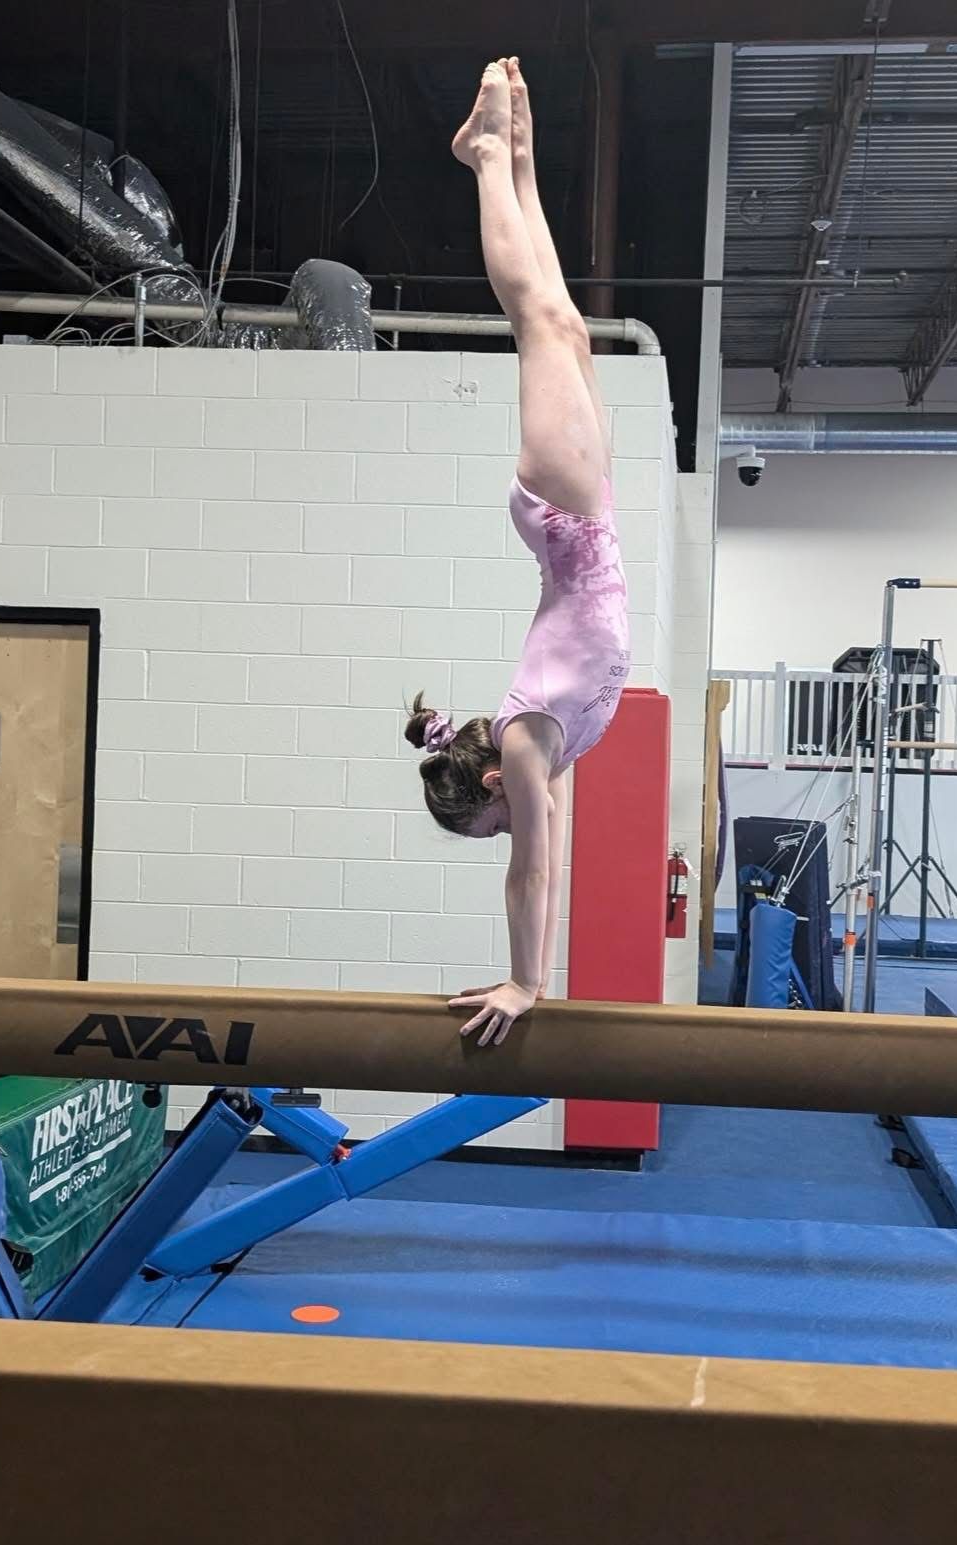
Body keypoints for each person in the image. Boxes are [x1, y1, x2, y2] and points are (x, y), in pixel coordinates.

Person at [404, 57, 630, 1048]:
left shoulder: (531, 746)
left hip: (565, 514)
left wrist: (526, 980)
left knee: (536, 321)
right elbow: (532, 847)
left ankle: (486, 158)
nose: (516, 826)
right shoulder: (537, 749)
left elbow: (533, 867)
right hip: (583, 519)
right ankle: (520, 156)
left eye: (496, 818)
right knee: (566, 323)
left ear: (496, 788)